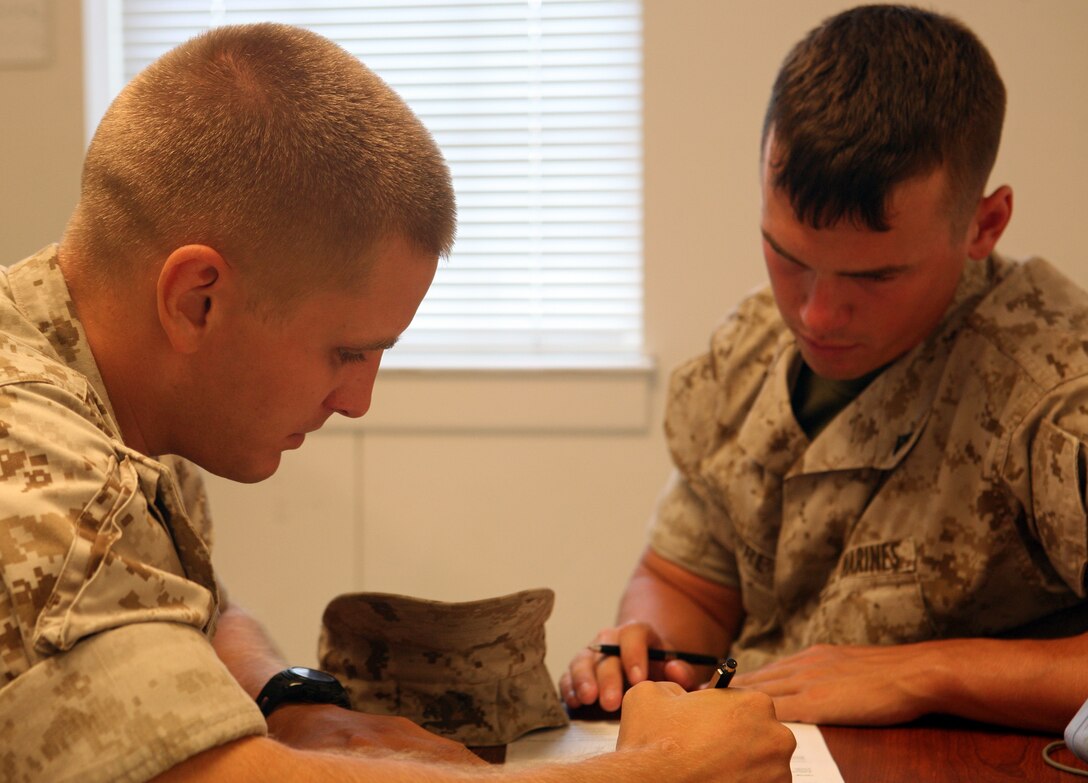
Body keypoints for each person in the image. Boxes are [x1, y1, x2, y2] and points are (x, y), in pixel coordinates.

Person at [0, 22, 795, 783]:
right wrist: (665, 771)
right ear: (198, 298)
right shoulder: (49, 477)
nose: (358, 399)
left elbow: (179, 613)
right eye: (348, 351)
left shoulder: (104, 382)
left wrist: (290, 699)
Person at [562, 3, 1088, 734]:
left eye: (874, 278)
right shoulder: (746, 356)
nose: (814, 314)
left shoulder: (1058, 397)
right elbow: (688, 580)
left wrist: (927, 672)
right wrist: (652, 650)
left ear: (983, 224)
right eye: (789, 257)